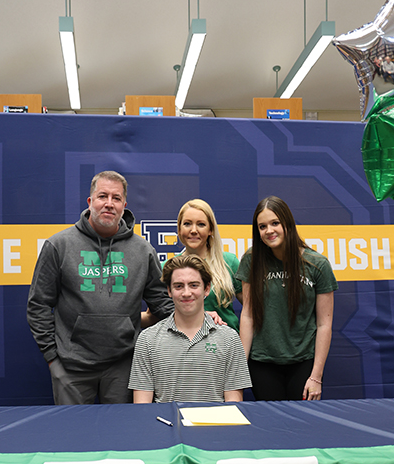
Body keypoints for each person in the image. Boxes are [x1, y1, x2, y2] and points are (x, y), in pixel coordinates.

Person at [27, 170, 174, 405]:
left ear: (124, 205)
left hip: (123, 366)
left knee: (121, 438)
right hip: (70, 366)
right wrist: (52, 359)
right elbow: (39, 305)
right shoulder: (59, 245)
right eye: (102, 196)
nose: (109, 204)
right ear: (90, 201)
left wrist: (200, 319)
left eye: (116, 198)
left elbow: (163, 303)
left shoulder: (143, 251)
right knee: (73, 438)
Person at [236, 196, 337, 402]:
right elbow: (247, 314)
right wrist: (240, 366)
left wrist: (316, 376)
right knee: (271, 425)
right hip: (262, 362)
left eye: (275, 223)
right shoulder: (251, 259)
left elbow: (324, 324)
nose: (269, 231)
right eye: (262, 226)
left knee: (301, 424)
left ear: (287, 223)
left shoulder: (317, 264)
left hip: (303, 362)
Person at [129, 254, 251, 403]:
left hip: (216, 426)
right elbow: (143, 408)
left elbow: (234, 405)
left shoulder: (230, 339)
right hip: (166, 425)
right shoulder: (147, 340)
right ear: (169, 291)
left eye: (194, 285)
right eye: (179, 286)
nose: (186, 293)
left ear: (206, 289)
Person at [174, 199, 243, 330]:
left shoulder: (229, 262)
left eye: (201, 224)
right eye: (187, 224)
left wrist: (243, 349)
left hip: (226, 346)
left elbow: (251, 311)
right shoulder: (168, 267)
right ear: (179, 229)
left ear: (210, 229)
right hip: (183, 347)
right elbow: (159, 313)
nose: (193, 230)